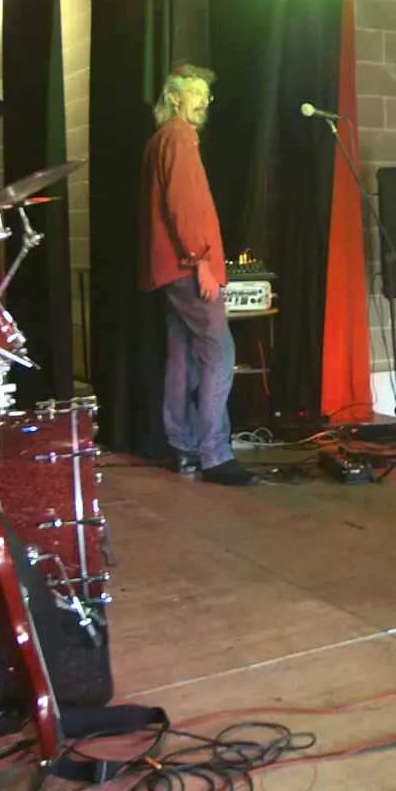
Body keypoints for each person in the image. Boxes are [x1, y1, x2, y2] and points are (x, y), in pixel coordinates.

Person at [138, 63, 259, 486]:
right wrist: (202, 261)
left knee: (183, 357)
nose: (205, 100)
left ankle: (185, 449)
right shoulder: (178, 137)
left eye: (207, 93)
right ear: (175, 97)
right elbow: (183, 206)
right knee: (219, 352)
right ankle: (214, 455)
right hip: (189, 266)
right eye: (196, 92)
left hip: (172, 268)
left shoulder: (164, 139)